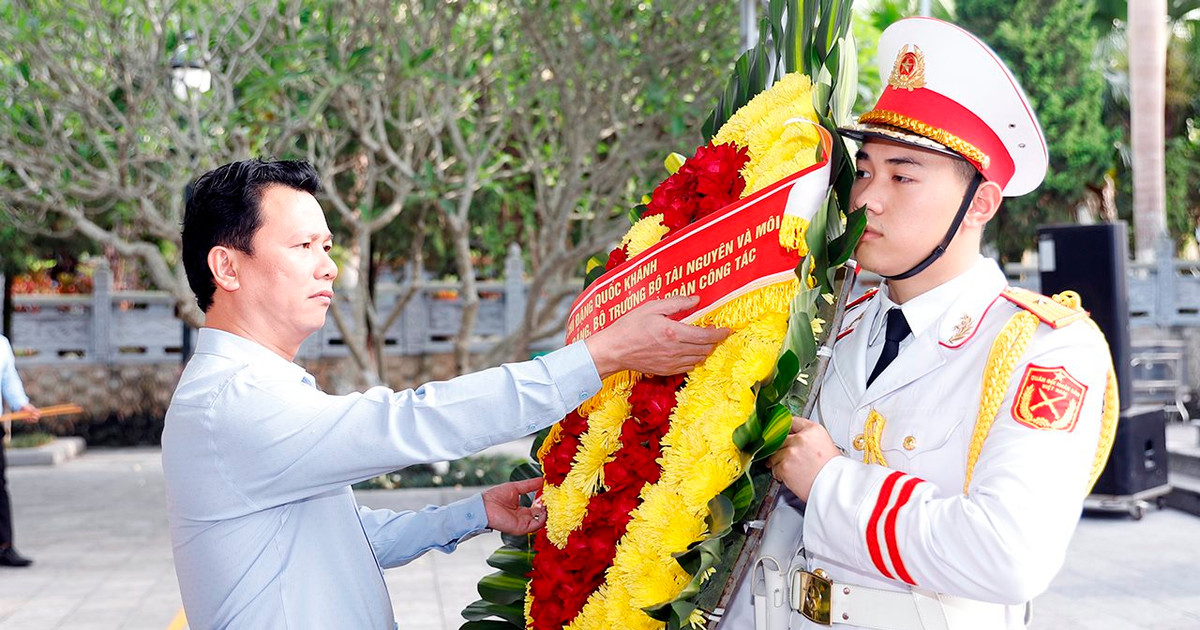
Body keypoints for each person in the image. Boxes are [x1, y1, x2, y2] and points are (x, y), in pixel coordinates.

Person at [162, 158, 728, 629]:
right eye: (304, 244)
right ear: (227, 267)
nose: (328, 267)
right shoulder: (231, 403)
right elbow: (411, 422)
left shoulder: (254, 388)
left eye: (327, 245)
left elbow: (339, 537)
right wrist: (603, 355)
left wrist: (470, 513)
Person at [722, 17, 1117, 630]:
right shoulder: (833, 324)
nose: (868, 198)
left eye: (903, 176)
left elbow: (1010, 554)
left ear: (979, 203)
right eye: (866, 170)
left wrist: (829, 484)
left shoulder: (1043, 348)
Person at [0, 333, 39, 567]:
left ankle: (4, 546)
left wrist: (22, 405)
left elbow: (8, 380)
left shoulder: (1, 344)